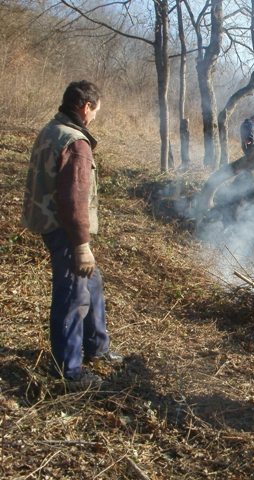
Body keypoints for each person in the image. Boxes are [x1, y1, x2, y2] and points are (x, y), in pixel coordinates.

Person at [22, 80, 122, 390]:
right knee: (72, 295)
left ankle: (97, 347)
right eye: (95, 111)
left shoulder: (53, 129)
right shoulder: (76, 143)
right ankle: (68, 369)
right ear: (85, 107)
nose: (94, 117)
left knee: (92, 282)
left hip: (52, 222)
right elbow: (73, 200)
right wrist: (81, 245)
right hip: (65, 229)